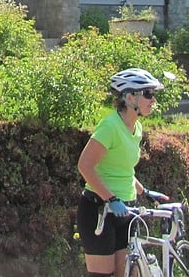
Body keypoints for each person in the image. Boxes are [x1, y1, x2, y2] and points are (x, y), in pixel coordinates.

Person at [76, 68, 169, 277]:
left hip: (126, 209)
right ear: (129, 97)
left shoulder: (136, 128)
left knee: (128, 273)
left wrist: (144, 191)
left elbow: (123, 170)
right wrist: (110, 198)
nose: (153, 100)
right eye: (148, 94)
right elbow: (85, 165)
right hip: (100, 209)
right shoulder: (110, 126)